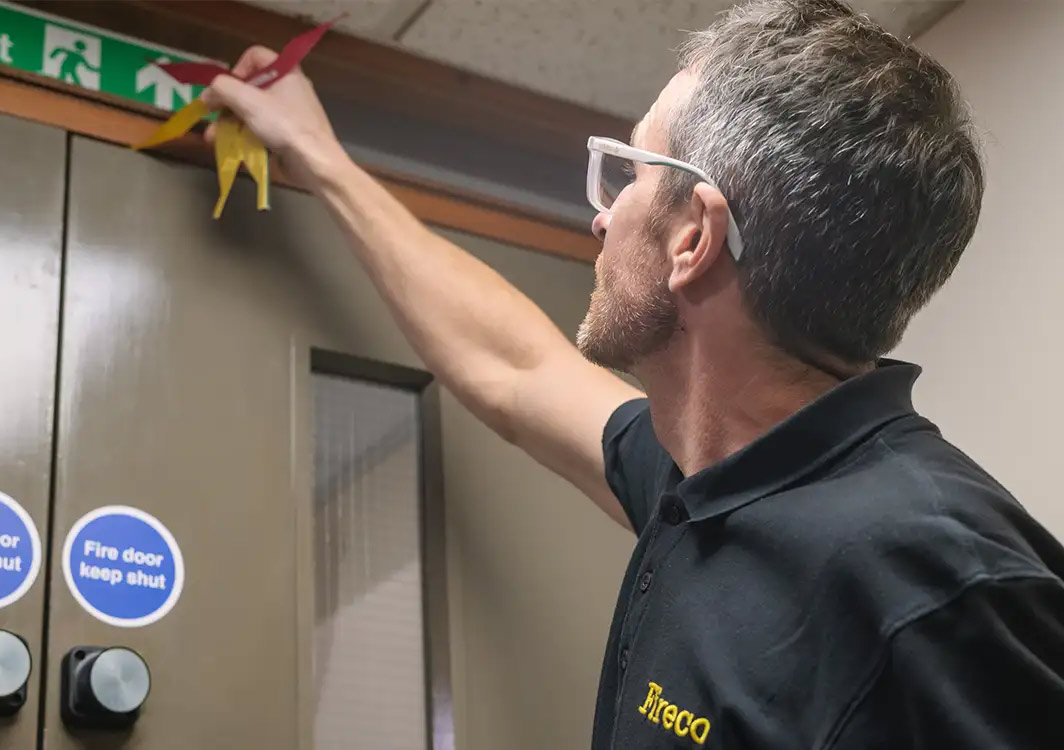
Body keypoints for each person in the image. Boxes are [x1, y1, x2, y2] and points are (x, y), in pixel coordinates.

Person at [202, 0, 1064, 747]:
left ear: (693, 238)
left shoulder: (946, 590)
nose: (601, 216)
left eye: (629, 174)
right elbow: (513, 366)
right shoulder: (710, 474)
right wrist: (324, 161)